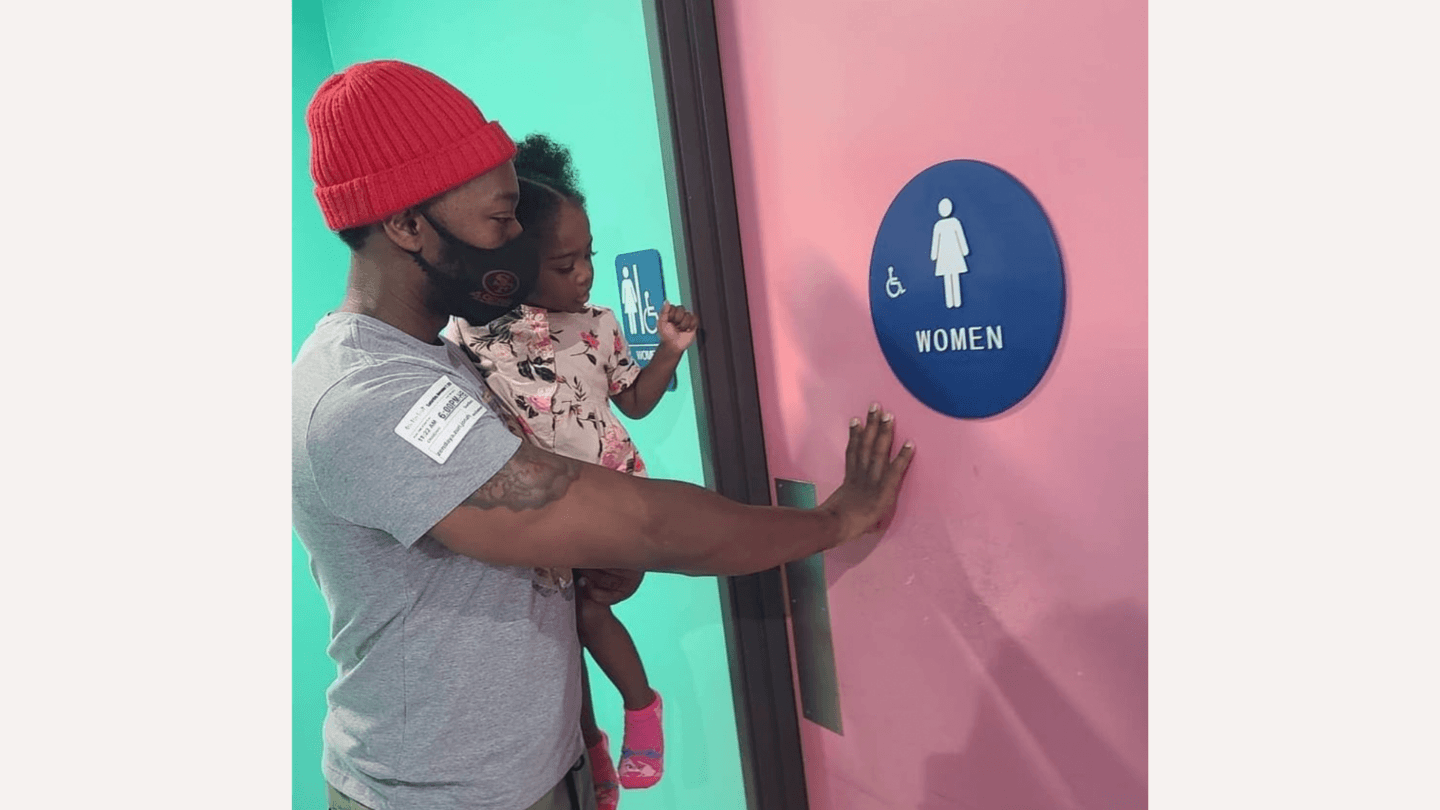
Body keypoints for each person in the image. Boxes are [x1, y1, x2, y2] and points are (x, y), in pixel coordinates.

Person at [294, 59, 915, 810]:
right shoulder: (369, 397)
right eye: (500, 219)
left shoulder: (445, 356)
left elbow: (526, 545)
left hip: (532, 773)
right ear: (405, 224)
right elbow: (643, 520)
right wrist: (834, 520)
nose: (517, 241)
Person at [445, 133, 696, 809]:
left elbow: (637, 402)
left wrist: (669, 350)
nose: (584, 273)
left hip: (607, 497)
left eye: (589, 256)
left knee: (587, 611)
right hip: (541, 513)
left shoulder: (600, 325)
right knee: (556, 635)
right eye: (564, 263)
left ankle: (642, 707)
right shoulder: (476, 337)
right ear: (513, 268)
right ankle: (590, 751)